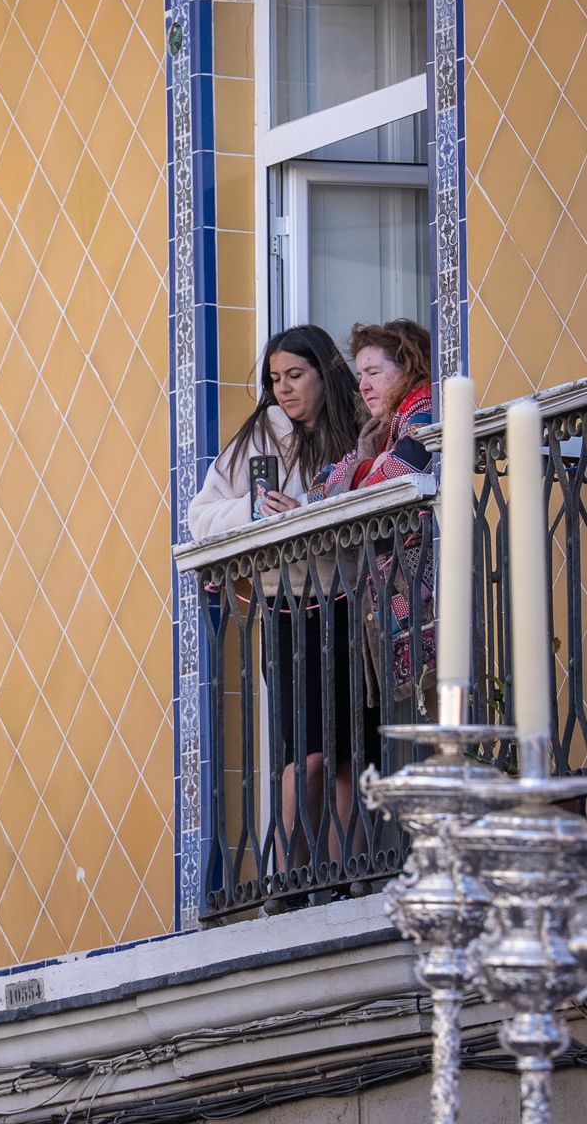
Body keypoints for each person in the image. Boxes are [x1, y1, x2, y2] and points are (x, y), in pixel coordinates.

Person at [188, 325, 367, 887]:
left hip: (350, 601)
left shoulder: (356, 427)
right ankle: (288, 885)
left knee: (351, 756)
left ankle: (346, 877)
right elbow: (200, 516)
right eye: (275, 380)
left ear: (324, 374)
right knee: (306, 753)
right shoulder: (260, 436)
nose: (285, 390)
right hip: (287, 606)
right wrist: (259, 510)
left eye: (296, 376)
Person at [307, 319, 436, 719]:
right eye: (360, 374)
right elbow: (316, 491)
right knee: (424, 714)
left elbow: (402, 470)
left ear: (409, 367)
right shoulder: (379, 430)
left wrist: (362, 472)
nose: (362, 385)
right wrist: (370, 463)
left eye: (374, 373)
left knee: (436, 711)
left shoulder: (425, 410)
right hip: (398, 589)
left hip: (422, 583)